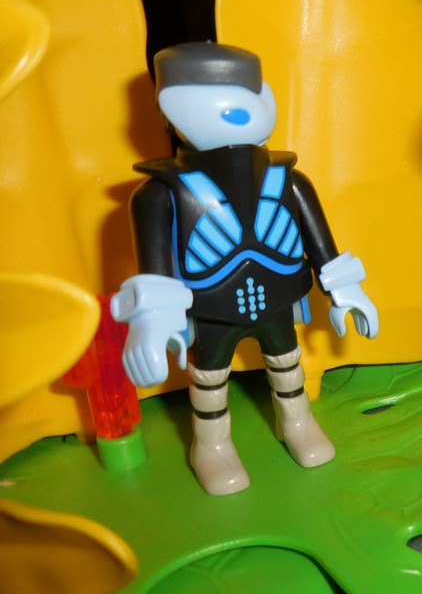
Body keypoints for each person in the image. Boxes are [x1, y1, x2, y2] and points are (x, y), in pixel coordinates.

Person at [111, 42, 378, 495]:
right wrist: (151, 325)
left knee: (287, 365)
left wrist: (346, 289)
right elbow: (155, 273)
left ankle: (297, 423)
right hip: (211, 309)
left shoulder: (290, 181)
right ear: (173, 109)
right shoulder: (159, 196)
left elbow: (323, 246)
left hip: (278, 297)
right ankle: (211, 446)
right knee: (209, 379)